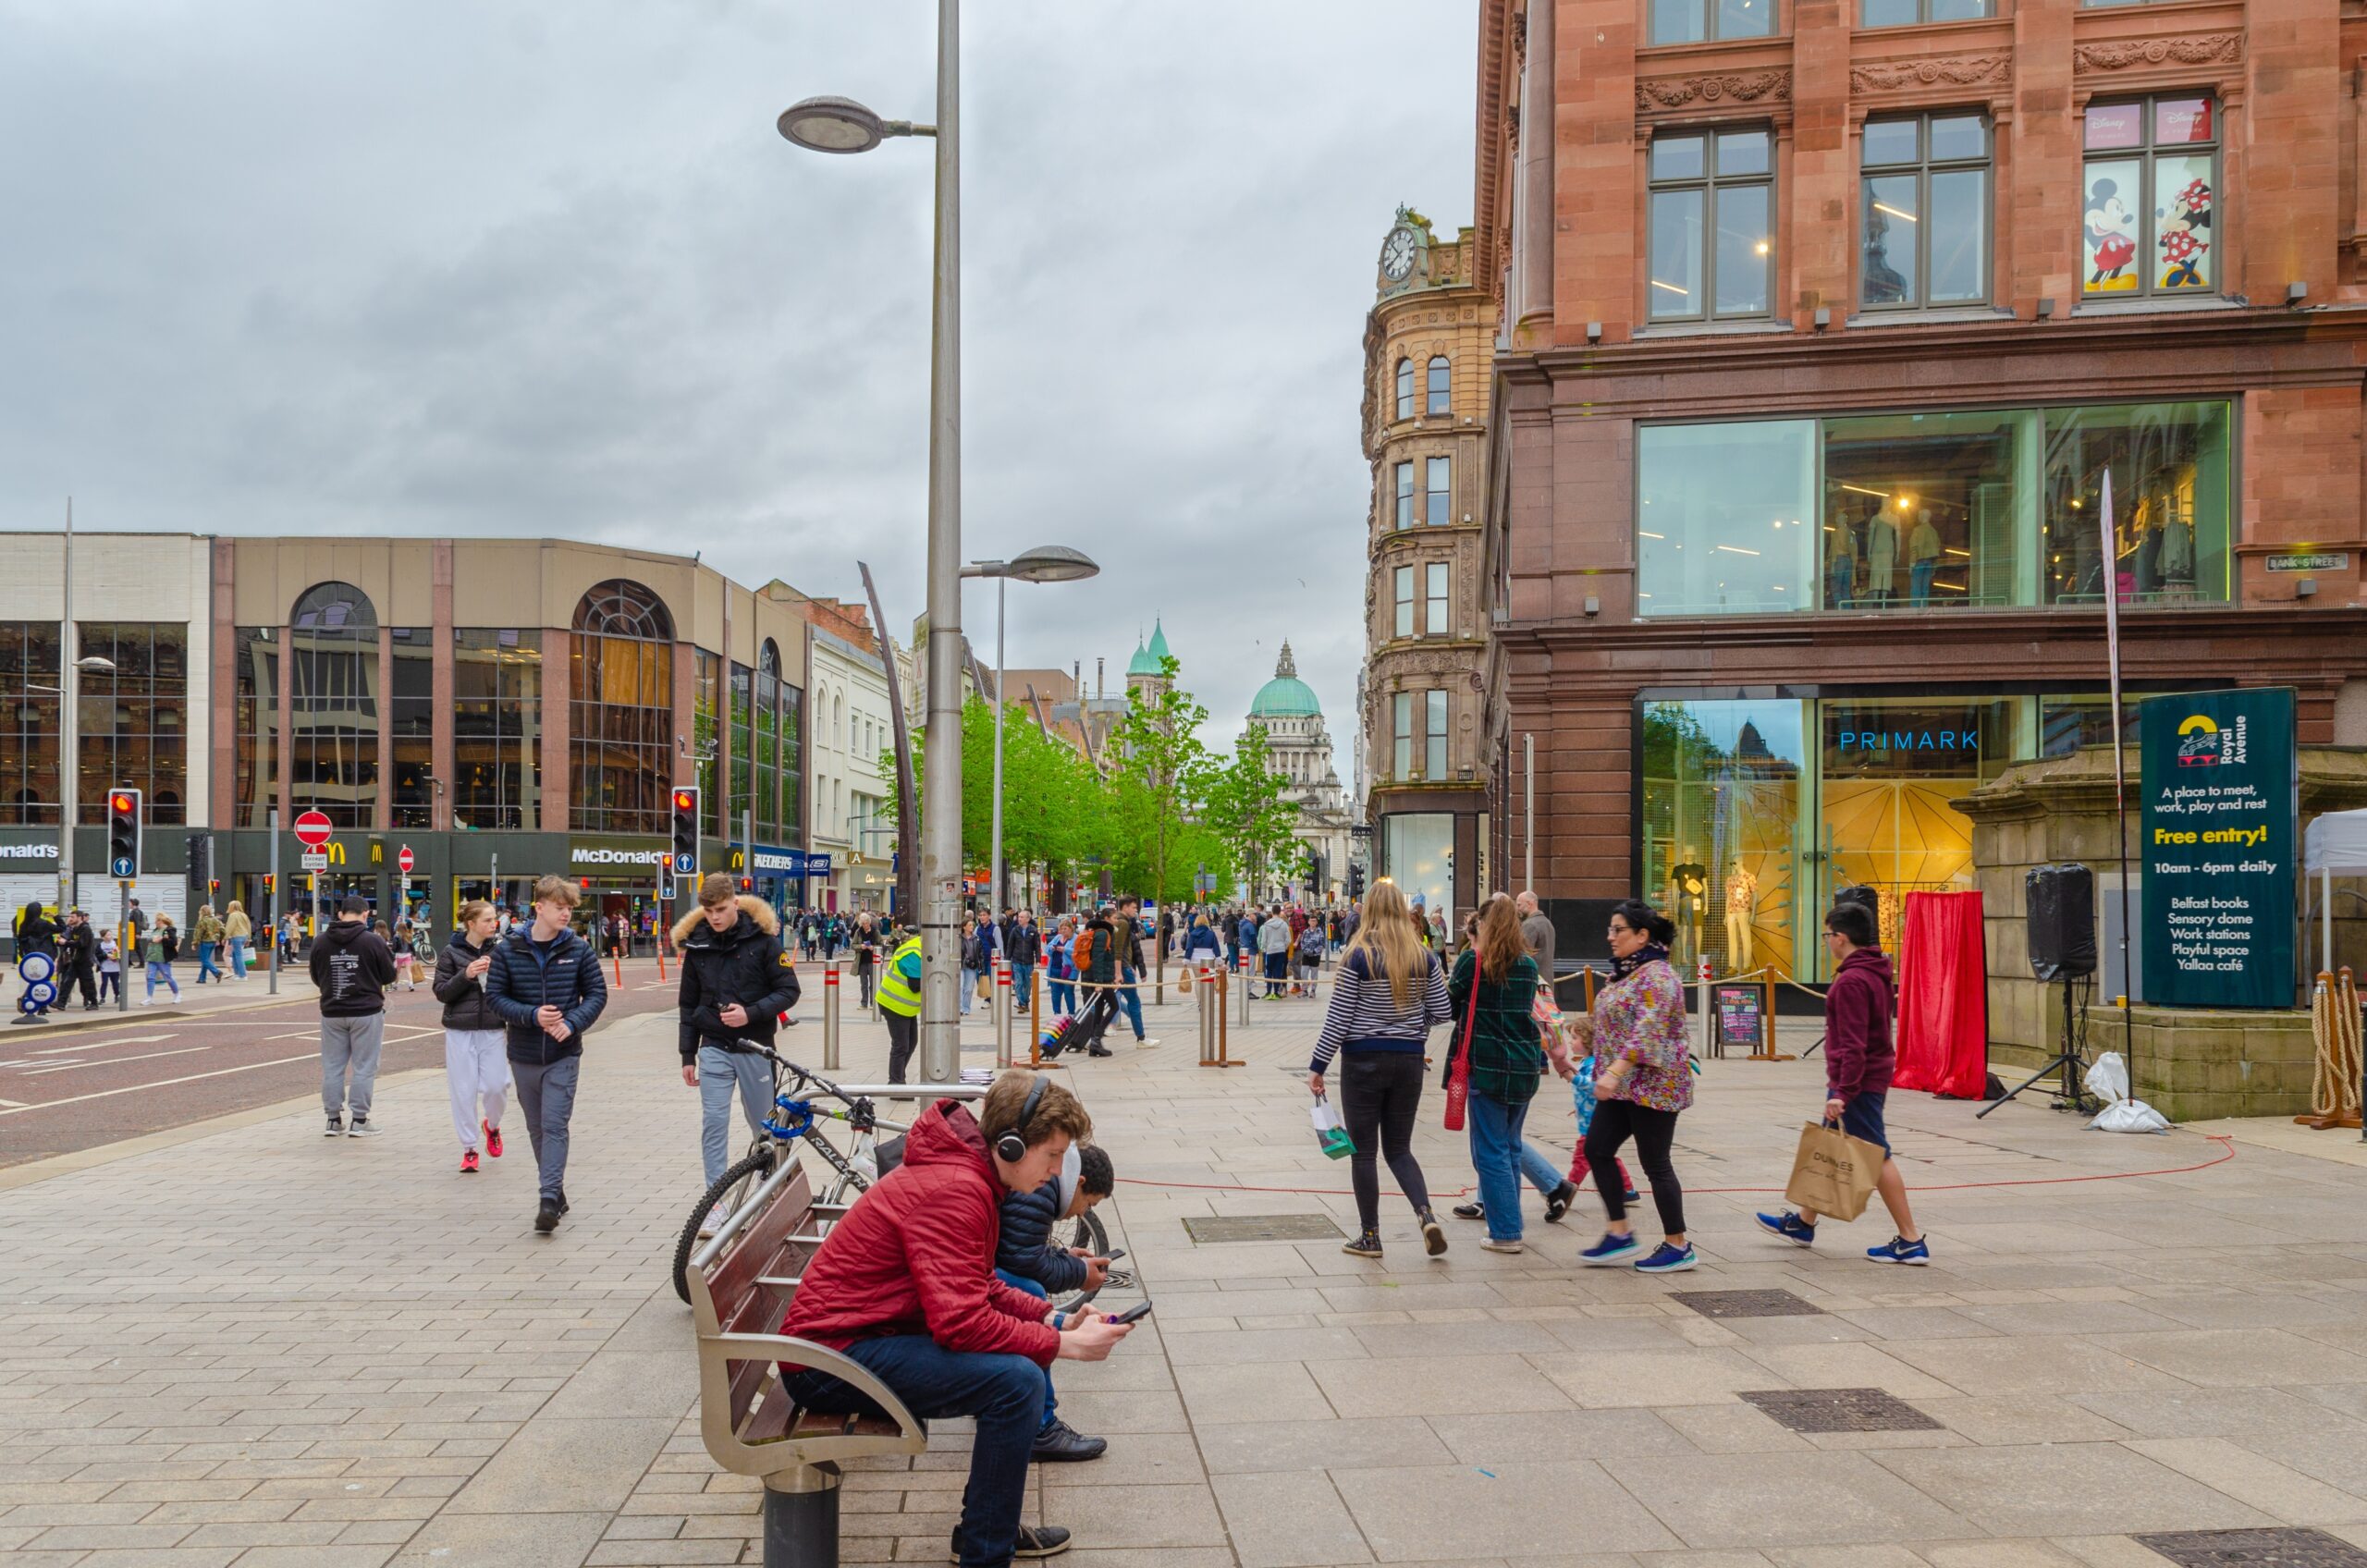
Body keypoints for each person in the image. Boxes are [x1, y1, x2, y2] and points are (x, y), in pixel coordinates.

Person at [779, 1071, 1133, 1567]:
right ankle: (986, 1547)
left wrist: (1053, 1320)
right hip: (826, 1361)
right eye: (1052, 1155)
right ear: (1011, 1145)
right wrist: (1065, 1346)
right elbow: (962, 1324)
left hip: (854, 1339)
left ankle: (987, 1533)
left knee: (1019, 1377)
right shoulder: (956, 1189)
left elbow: (979, 1283)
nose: (1057, 1172)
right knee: (1016, 1384)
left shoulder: (970, 1177)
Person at [1757, 901, 1929, 1264]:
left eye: (1827, 934)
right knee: (1831, 1145)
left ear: (1840, 937)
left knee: (1877, 1155)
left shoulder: (1852, 980)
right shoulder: (1874, 970)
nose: (1826, 941)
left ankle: (1910, 1239)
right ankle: (1803, 1223)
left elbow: (1854, 1043)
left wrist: (1842, 1092)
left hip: (1858, 1082)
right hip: (1865, 1076)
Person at [1308, 880, 1453, 1259]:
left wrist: (1318, 1065)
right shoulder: (1424, 957)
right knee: (1400, 1149)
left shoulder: (1357, 956)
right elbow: (1443, 1011)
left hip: (1363, 1061)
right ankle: (1425, 1214)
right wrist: (1411, 1026)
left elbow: (1339, 1018)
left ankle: (1370, 1236)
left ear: (1368, 910)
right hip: (1409, 1061)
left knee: (1363, 1153)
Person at [675, 873, 801, 1227]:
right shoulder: (697, 945)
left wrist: (751, 1013)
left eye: (720, 910)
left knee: (764, 1126)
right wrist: (687, 1055)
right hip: (713, 1047)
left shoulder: (764, 942)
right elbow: (687, 1004)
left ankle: (767, 1190)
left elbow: (789, 990)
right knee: (714, 1123)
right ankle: (715, 1204)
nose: (714, 917)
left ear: (735, 903)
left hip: (756, 1047)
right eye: (708, 911)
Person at [1577, 900, 1696, 1273]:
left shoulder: (1658, 976)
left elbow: (1648, 1030)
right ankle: (1619, 1232)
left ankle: (1678, 1245)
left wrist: (1613, 1072)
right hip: (1622, 1086)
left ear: (1642, 935)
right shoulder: (1626, 973)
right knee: (1597, 1149)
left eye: (1618, 930)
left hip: (1655, 1086)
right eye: (1610, 929)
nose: (1610, 937)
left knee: (1655, 1163)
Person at [485, 876, 609, 1232]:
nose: (566, 914)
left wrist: (572, 1023)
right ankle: (556, 1190)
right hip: (523, 1053)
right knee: (536, 1127)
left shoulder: (578, 949)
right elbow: (495, 998)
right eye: (560, 907)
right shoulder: (508, 950)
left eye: (570, 908)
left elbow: (597, 994)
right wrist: (532, 1015)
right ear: (539, 907)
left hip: (563, 1053)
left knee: (554, 1125)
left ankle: (548, 1199)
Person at [1445, 896, 1562, 1256]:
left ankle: (1506, 1231)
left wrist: (1473, 946)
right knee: (1510, 1146)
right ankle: (1509, 1222)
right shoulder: (1528, 965)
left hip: (1488, 1066)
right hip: (1524, 1066)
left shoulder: (1473, 961)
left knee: (1491, 1151)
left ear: (1483, 925)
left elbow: (1449, 1004)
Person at [994, 1141, 1116, 1463]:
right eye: (1089, 1203)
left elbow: (1014, 1246)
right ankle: (1040, 1427)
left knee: (1029, 1294)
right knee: (1029, 1291)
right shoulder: (1043, 1185)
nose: (1083, 1212)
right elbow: (1022, 1261)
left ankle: (1017, 1404)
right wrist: (1079, 1273)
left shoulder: (1045, 1180)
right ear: (1080, 1182)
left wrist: (1062, 1257)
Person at [435, 900, 509, 1174]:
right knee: (463, 1090)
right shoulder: (451, 953)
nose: (494, 924)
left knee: (497, 1085)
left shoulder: (501, 951)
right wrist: (465, 974)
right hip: (460, 1029)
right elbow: (441, 992)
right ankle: (469, 1148)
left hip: (493, 1027)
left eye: (494, 919)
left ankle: (492, 1125)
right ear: (471, 923)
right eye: (487, 920)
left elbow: (512, 987)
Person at [311, 896, 395, 1134]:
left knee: (332, 1066)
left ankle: (333, 1119)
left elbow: (316, 976)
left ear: (340, 914)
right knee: (364, 1066)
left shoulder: (320, 942)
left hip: (332, 1011)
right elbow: (389, 975)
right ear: (365, 914)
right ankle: (359, 1120)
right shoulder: (373, 941)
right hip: (366, 1011)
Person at [1066, 905, 1121, 1059]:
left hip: (1101, 977)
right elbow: (1098, 958)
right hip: (1099, 978)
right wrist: (1098, 982)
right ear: (1107, 918)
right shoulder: (1103, 933)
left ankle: (1095, 1044)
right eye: (1115, 918)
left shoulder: (1102, 932)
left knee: (1099, 1008)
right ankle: (1096, 1038)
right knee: (1114, 1006)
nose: (1117, 920)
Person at [877, 921, 924, 1083]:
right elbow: (915, 986)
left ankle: (898, 1078)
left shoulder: (919, 949)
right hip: (894, 1004)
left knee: (911, 1043)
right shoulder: (914, 954)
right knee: (901, 1045)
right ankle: (896, 1083)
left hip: (905, 1007)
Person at [1112, 897, 1154, 1047]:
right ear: (1125, 907)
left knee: (1108, 1000)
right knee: (1134, 1002)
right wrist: (1120, 971)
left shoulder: (1118, 921)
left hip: (1121, 967)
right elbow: (1118, 949)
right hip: (1123, 969)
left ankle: (1091, 1035)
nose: (1135, 910)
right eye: (1133, 907)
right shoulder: (1123, 923)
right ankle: (1141, 1038)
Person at [1515, 890, 1556, 994]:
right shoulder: (1547, 922)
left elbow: (1522, 955)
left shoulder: (1530, 925)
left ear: (1529, 904)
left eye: (1519, 905)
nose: (1517, 908)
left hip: (1534, 983)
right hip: (1546, 982)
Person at [56, 911, 98, 1009]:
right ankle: (61, 1003)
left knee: (88, 983)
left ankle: (93, 1003)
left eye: (73, 917)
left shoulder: (85, 929)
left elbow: (81, 944)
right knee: (67, 981)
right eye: (70, 916)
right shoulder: (74, 929)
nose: (70, 919)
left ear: (79, 918)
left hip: (85, 960)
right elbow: (69, 940)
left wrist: (66, 942)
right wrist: (61, 941)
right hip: (75, 960)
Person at [1006, 909, 1040, 1015]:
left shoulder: (1033, 930)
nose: (1019, 919)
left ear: (1028, 919)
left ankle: (1025, 1002)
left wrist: (1038, 960)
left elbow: (1037, 947)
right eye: (1019, 917)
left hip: (1029, 962)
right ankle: (1021, 1003)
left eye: (1022, 917)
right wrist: (1007, 960)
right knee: (1018, 983)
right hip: (1017, 961)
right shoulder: (1015, 930)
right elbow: (1010, 946)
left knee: (1027, 984)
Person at [1045, 915, 1077, 1018]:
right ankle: (1057, 1013)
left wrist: (1065, 950)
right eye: (1061, 929)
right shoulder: (1057, 937)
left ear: (1071, 929)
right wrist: (1052, 948)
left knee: (1068, 992)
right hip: (1055, 968)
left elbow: (1078, 953)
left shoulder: (1076, 938)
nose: (1063, 931)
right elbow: (1047, 949)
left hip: (1069, 970)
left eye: (1065, 929)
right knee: (1055, 993)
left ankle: (1071, 1014)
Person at [1257, 906, 1292, 998]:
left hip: (1270, 950)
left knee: (1269, 971)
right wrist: (1284, 947)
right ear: (1280, 912)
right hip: (1281, 950)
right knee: (1278, 970)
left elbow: (1264, 940)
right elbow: (1288, 939)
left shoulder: (1267, 924)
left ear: (1272, 912)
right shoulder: (1284, 924)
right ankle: (1276, 992)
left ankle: (1268, 992)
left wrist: (1264, 948)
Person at [959, 914, 985, 1018]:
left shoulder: (977, 939)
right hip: (960, 965)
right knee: (960, 987)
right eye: (969, 925)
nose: (972, 927)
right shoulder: (959, 938)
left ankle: (966, 1008)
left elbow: (981, 954)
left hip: (972, 966)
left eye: (972, 925)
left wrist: (981, 967)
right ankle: (960, 1008)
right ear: (964, 927)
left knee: (969, 989)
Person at [853, 913, 879, 1012]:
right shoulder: (858, 932)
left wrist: (873, 948)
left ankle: (873, 1003)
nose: (865, 925)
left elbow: (881, 944)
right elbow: (853, 945)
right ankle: (864, 1003)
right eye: (863, 923)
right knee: (863, 984)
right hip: (862, 961)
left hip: (873, 961)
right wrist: (861, 946)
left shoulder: (875, 931)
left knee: (873, 983)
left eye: (867, 923)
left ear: (869, 922)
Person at [224, 900, 252, 980]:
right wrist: (249, 938)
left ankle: (242, 975)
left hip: (237, 936)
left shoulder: (233, 915)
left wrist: (225, 937)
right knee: (234, 954)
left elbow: (230, 927)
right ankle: (237, 974)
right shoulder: (244, 915)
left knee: (238, 955)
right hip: (244, 936)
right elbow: (249, 926)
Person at [97, 925, 121, 1004]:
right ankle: (102, 997)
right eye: (108, 935)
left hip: (115, 967)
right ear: (103, 937)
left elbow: (119, 953)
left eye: (110, 934)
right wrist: (106, 956)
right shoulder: (100, 945)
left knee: (115, 983)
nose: (110, 936)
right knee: (104, 983)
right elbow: (97, 955)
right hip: (105, 967)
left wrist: (117, 956)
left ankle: (117, 995)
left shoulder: (115, 943)